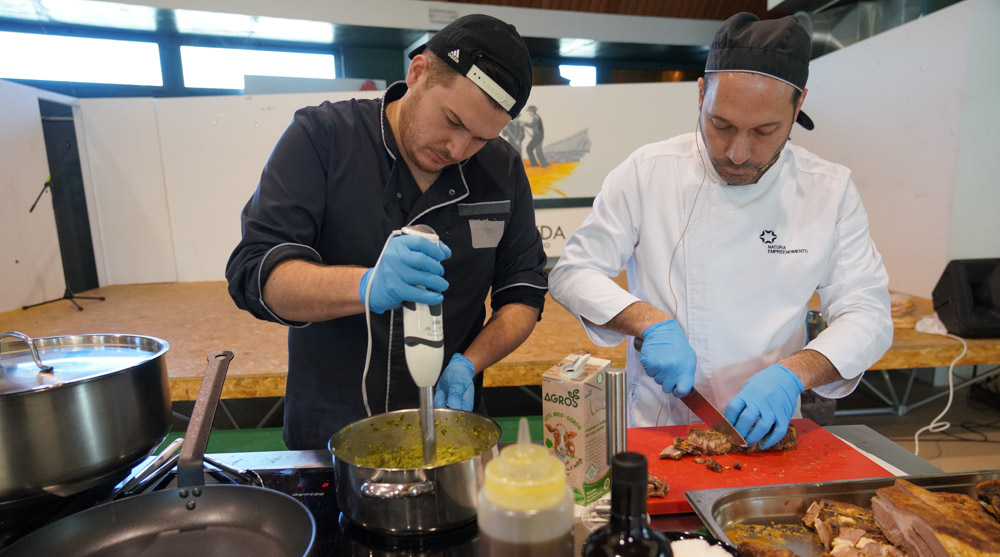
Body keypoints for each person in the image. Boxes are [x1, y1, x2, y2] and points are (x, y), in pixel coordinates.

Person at [548, 12, 891, 449]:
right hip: (659, 422)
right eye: (720, 124)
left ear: (798, 104)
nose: (737, 152)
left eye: (764, 131)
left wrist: (795, 373)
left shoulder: (829, 189)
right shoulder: (648, 172)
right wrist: (648, 322)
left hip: (771, 430)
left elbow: (868, 312)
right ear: (700, 95)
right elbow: (573, 272)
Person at [226, 14, 547, 450]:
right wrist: (363, 284)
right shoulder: (323, 139)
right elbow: (255, 274)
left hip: (449, 429)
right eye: (453, 120)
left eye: (479, 138)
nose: (458, 150)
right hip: (330, 437)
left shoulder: (503, 170)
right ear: (418, 72)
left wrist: (469, 365)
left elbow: (523, 295)